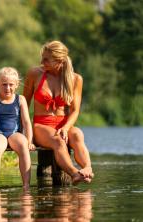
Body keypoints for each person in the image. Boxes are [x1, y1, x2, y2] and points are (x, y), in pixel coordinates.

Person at [23, 40, 94, 184]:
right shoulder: (34, 74)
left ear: (59, 60)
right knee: (58, 141)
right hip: (41, 125)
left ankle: (87, 169)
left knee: (78, 134)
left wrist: (66, 128)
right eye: (42, 58)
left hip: (63, 124)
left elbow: (75, 111)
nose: (42, 62)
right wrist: (25, 131)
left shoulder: (75, 79)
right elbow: (23, 104)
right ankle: (75, 174)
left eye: (46, 59)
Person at [0, 67, 34, 190]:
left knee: (23, 144)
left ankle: (26, 185)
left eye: (11, 85)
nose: (7, 88)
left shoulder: (20, 99)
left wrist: (29, 141)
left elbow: (26, 122)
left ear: (17, 85)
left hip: (15, 134)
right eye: (4, 84)